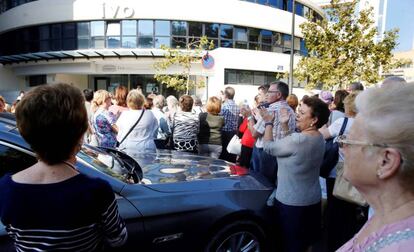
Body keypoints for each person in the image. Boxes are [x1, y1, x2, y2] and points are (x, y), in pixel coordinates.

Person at [0, 83, 127, 251]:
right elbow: (118, 239)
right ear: (80, 133)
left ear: (24, 132)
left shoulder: (5, 188)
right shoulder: (96, 190)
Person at [337, 84, 414, 251]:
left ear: (385, 162)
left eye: (348, 141)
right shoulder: (386, 214)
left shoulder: (403, 245)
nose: (343, 148)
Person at [262, 96, 330, 252]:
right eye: (298, 110)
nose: (297, 115)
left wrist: (268, 122)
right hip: (312, 200)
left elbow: (268, 147)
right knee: (306, 243)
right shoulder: (319, 137)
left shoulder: (298, 140)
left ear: (314, 120)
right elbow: (293, 150)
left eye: (302, 113)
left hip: (291, 203)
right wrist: (285, 125)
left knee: (289, 245)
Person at [319, 92, 367, 251]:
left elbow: (322, 136)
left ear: (348, 106)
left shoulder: (343, 122)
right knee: (351, 212)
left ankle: (335, 245)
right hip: (360, 171)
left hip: (338, 172)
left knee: (335, 212)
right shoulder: (367, 124)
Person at [246, 81, 296, 183]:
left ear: (278, 95)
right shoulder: (291, 110)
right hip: (283, 153)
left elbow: (255, 134)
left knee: (262, 183)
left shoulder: (270, 109)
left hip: (266, 153)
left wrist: (249, 117)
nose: (267, 94)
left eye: (270, 92)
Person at [116, 90, 158, 156]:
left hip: (128, 148)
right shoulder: (150, 114)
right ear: (142, 100)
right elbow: (155, 130)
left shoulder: (125, 115)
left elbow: (119, 133)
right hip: (147, 147)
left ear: (128, 101)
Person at [219, 86, 240, 162]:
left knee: (224, 154)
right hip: (234, 132)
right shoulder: (237, 107)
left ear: (225, 95)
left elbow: (219, 118)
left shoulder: (224, 107)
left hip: (224, 132)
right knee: (232, 153)